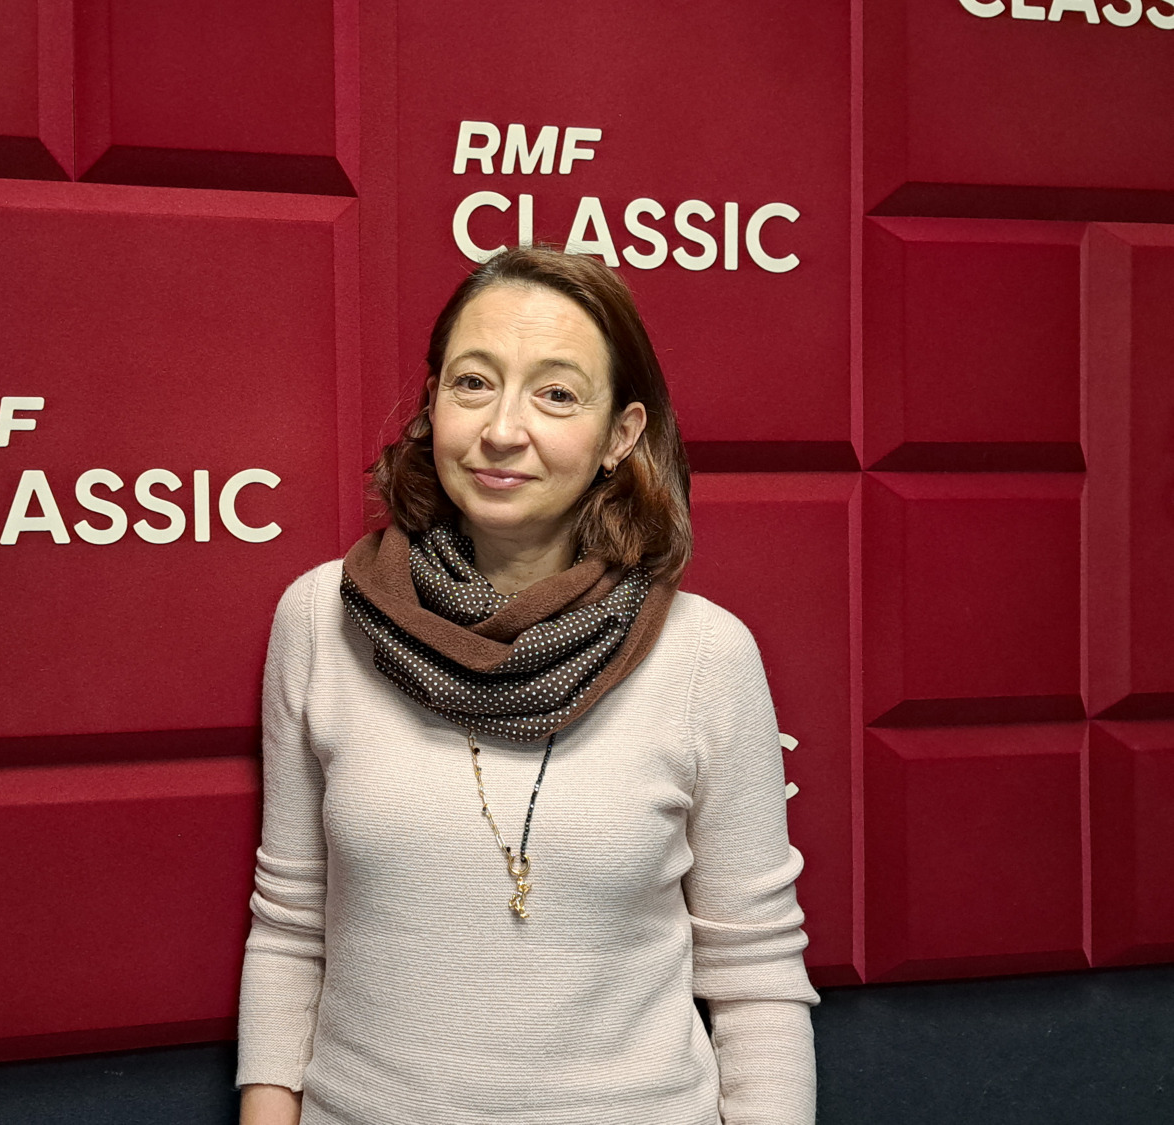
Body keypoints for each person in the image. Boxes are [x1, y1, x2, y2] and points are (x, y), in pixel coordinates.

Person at [236, 246, 818, 1125]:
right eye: (473, 383)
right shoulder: (323, 618)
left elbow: (757, 978)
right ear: (432, 403)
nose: (503, 429)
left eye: (556, 394)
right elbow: (289, 928)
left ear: (621, 435)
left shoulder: (706, 655)